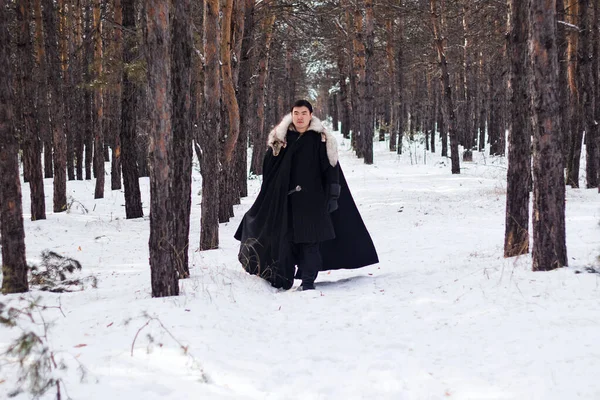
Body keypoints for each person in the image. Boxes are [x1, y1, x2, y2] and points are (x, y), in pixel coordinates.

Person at [234, 100, 378, 291]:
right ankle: (280, 278)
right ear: (291, 115)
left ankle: (308, 282)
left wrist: (333, 196)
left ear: (311, 115)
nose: (300, 117)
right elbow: (270, 171)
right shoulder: (282, 138)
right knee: (285, 240)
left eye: (303, 113)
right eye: (296, 113)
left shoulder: (321, 140)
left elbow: (331, 169)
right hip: (285, 201)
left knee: (310, 242)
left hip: (313, 201)